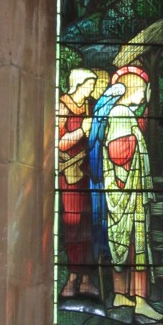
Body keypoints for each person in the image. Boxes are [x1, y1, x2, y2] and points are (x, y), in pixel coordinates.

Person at [90, 66, 162, 320]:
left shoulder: (122, 113)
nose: (144, 95)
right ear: (133, 90)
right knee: (134, 244)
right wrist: (134, 145)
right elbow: (118, 153)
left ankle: (122, 294)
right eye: (142, 90)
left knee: (124, 244)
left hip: (124, 192)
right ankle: (139, 300)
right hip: (126, 192)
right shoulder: (121, 113)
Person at [58, 68, 98, 298]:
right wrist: (82, 130)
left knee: (89, 226)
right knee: (73, 225)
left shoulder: (90, 106)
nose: (91, 88)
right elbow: (59, 143)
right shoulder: (64, 106)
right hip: (71, 175)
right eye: (89, 84)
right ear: (78, 84)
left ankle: (85, 280)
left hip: (89, 173)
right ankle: (72, 278)